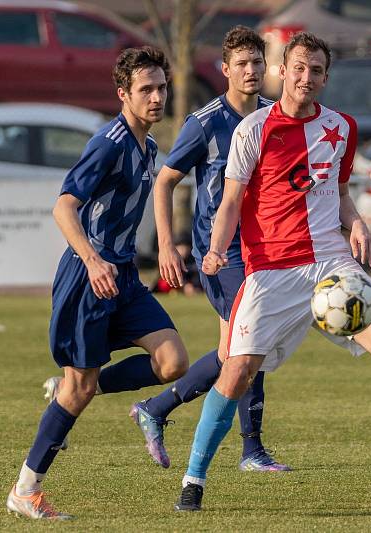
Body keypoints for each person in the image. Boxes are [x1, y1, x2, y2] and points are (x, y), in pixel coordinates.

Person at [173, 32, 371, 512]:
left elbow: (341, 193)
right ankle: (194, 480)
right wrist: (213, 251)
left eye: (315, 70)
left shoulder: (342, 127)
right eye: (298, 68)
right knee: (236, 374)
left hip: (331, 262)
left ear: (325, 77)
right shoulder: (253, 129)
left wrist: (356, 227)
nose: (306, 78)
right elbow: (230, 201)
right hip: (270, 270)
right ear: (282, 71)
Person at [5, 46, 189, 520]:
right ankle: (26, 490)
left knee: (172, 361)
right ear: (123, 93)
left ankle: (68, 390)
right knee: (78, 388)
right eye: (145, 89)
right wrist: (92, 261)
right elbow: (64, 206)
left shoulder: (147, 147)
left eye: (161, 87)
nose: (156, 96)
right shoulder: (108, 142)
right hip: (91, 278)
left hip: (124, 276)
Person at [129, 26, 293, 473]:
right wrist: (167, 244)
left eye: (257, 62)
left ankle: (156, 409)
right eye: (241, 63)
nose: (251, 70)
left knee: (231, 352)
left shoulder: (275, 115)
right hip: (220, 252)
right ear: (224, 70)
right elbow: (165, 182)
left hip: (264, 247)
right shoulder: (204, 123)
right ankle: (252, 450)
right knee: (250, 340)